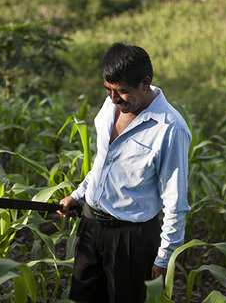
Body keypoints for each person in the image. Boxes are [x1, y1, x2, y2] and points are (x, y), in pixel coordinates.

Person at [59, 43, 191, 303]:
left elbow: (175, 202)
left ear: (145, 83)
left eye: (121, 92)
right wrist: (79, 195)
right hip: (90, 225)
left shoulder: (170, 129)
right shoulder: (111, 107)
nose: (113, 99)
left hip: (131, 240)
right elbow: (103, 162)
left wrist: (164, 258)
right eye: (108, 90)